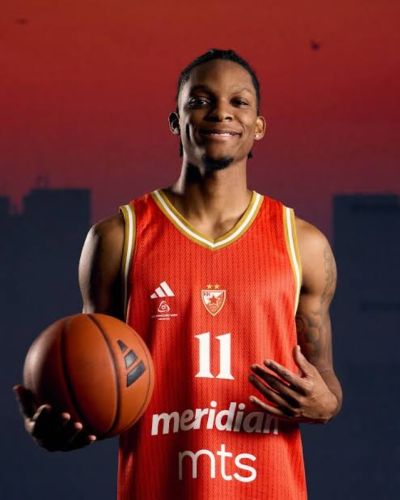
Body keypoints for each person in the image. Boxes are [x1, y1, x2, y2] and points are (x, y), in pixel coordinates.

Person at [14, 48, 342, 499]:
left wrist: (325, 404)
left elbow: (325, 380)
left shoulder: (302, 243)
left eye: (239, 102)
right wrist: (63, 421)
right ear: (175, 121)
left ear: (259, 126)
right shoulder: (117, 238)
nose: (221, 112)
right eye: (200, 100)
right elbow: (96, 381)